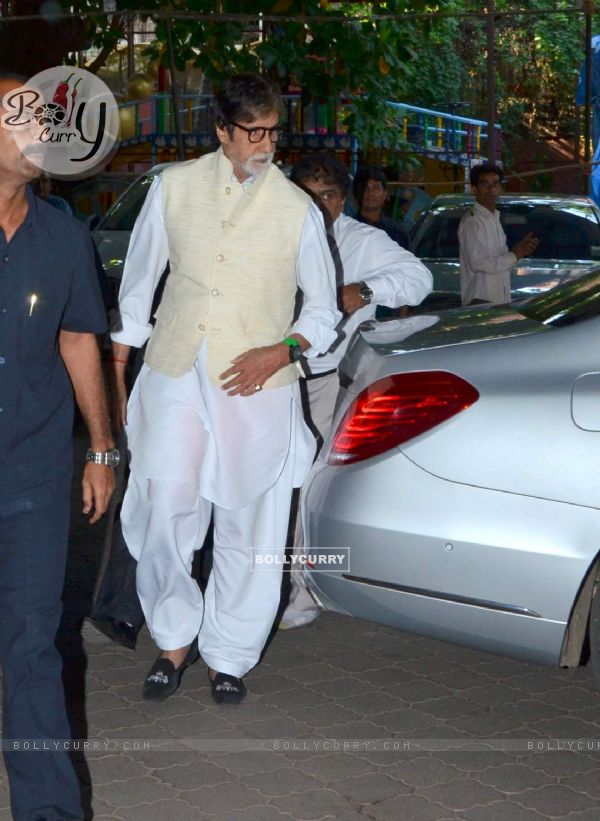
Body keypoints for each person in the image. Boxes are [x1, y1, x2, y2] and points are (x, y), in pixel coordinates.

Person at [110, 73, 340, 705]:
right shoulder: (173, 187)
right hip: (176, 368)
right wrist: (123, 356)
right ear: (221, 129)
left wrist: (283, 349)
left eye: (273, 131)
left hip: (255, 385)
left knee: (250, 521)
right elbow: (140, 278)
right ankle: (174, 638)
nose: (265, 143)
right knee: (166, 509)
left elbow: (322, 311)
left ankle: (230, 654)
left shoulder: (297, 208)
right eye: (253, 131)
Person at [0, 73, 116, 821]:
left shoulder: (64, 235)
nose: (44, 130)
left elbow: (79, 340)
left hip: (34, 477)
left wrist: (102, 449)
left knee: (34, 648)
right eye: (25, 118)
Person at [280, 152, 433, 629]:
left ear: (342, 199)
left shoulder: (363, 240)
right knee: (265, 486)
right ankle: (253, 585)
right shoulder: (275, 233)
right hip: (270, 378)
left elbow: (419, 279)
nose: (318, 205)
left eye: (327, 196)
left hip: (325, 379)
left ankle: (305, 589)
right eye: (307, 195)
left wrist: (363, 291)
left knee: (308, 489)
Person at [458, 162, 538, 306]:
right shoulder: (473, 222)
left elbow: (498, 259)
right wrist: (515, 255)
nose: (491, 189)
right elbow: (479, 263)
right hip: (481, 303)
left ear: (500, 188)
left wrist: (519, 250)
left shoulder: (493, 218)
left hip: (498, 301)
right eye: (485, 184)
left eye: (495, 184)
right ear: (474, 189)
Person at [353, 165, 410, 250]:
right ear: (357, 193)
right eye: (365, 187)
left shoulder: (397, 233)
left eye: (376, 188)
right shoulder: (347, 229)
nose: (370, 193)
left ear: (385, 194)